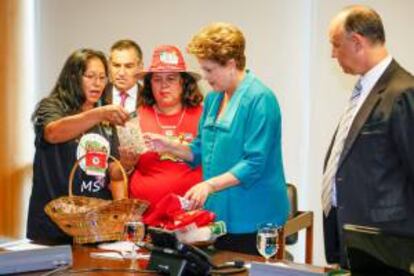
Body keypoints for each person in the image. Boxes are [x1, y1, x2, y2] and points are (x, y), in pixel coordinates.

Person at [144, 23, 289, 255]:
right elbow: (200, 150)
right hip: (219, 215)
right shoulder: (213, 100)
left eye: (209, 70)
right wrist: (169, 145)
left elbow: (254, 163)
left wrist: (209, 184)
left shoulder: (260, 99)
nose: (204, 76)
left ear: (231, 64)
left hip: (254, 216)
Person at [322, 5, 414, 267]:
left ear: (357, 42)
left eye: (335, 45)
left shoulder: (403, 92)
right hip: (352, 233)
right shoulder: (364, 89)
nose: (332, 54)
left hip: (385, 244)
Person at [27, 48, 132, 244]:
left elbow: (113, 173)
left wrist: (126, 165)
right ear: (73, 77)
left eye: (102, 77)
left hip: (97, 227)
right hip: (54, 227)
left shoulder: (106, 118)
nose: (98, 83)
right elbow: (53, 133)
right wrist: (99, 113)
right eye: (90, 76)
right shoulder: (52, 106)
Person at [129, 45, 203, 218]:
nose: (164, 85)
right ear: (149, 84)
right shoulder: (134, 118)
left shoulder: (204, 115)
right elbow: (121, 170)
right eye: (157, 79)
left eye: (171, 78)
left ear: (183, 82)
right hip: (144, 217)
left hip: (192, 218)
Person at [105, 39, 143, 113]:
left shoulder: (151, 99)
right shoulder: (98, 97)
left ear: (140, 67)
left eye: (128, 66)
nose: (121, 73)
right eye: (116, 65)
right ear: (109, 66)